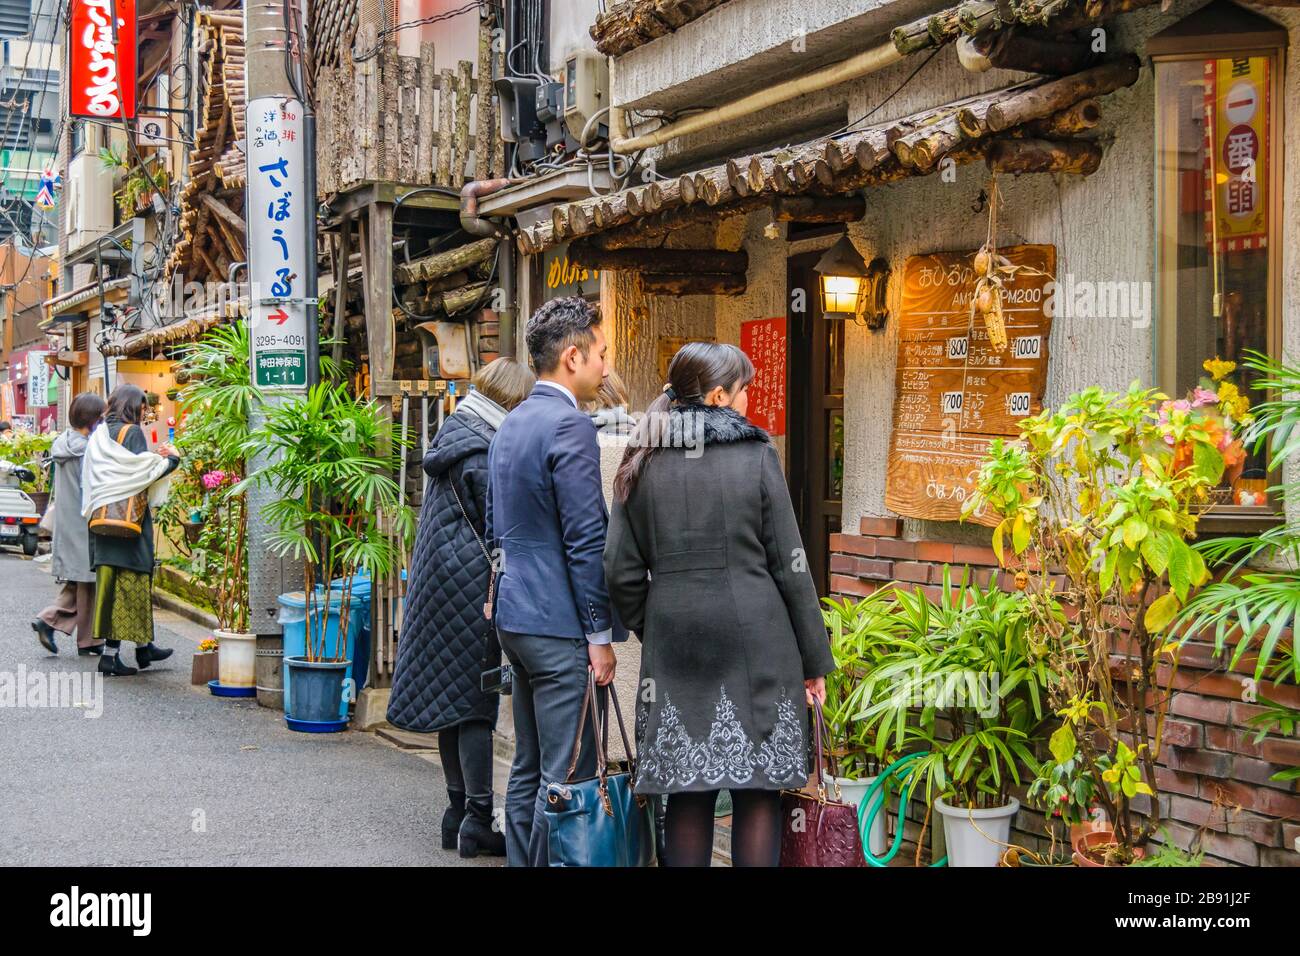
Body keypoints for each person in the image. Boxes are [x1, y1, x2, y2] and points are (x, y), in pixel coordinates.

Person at [604, 341, 836, 867]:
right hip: (761, 640)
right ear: (716, 396)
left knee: (687, 793)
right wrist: (814, 661)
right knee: (758, 790)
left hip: (677, 645)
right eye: (744, 389)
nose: (750, 398)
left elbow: (618, 569)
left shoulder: (642, 458)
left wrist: (658, 623)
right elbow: (790, 562)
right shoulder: (755, 456)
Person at [487, 296, 628, 867]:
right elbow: (585, 540)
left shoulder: (511, 421)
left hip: (514, 617)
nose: (604, 367)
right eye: (599, 354)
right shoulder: (569, 425)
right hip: (559, 624)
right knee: (567, 771)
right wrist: (600, 635)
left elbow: (499, 527)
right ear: (572, 357)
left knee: (526, 763)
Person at [388, 357, 535, 858]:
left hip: (439, 584)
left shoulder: (457, 432)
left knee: (453, 703)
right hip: (473, 588)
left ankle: (456, 811)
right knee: (476, 704)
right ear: (511, 403)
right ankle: (476, 817)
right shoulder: (486, 449)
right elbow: (502, 524)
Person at [81, 383, 180, 677]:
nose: (144, 412)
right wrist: (171, 460)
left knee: (111, 589)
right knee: (131, 587)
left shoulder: (99, 435)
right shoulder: (132, 432)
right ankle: (111, 657)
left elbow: (110, 474)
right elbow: (140, 475)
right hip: (128, 523)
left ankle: (142, 648)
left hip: (101, 521)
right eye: (142, 407)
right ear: (132, 407)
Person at [33, 393, 108, 656]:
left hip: (67, 519)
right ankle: (81, 636)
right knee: (89, 579)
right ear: (94, 418)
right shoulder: (86, 450)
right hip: (83, 521)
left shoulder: (64, 442)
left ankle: (56, 624)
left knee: (81, 580)